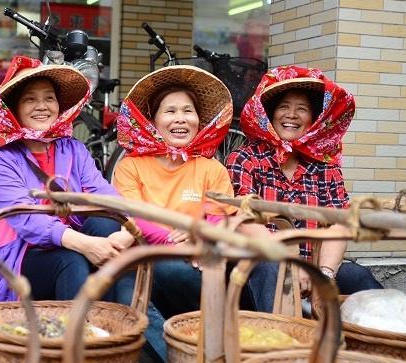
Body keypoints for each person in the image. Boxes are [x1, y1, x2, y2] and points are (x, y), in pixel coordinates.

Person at [0, 56, 137, 304]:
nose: (42, 106)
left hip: (71, 236)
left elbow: (103, 193)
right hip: (23, 253)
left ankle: (108, 323)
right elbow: (25, 219)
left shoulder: (73, 148)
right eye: (30, 99)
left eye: (49, 98)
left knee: (107, 226)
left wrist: (129, 227)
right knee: (72, 260)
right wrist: (85, 244)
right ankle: (75, 336)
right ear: (15, 109)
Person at [226, 66, 382, 313]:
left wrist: (324, 274)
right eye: (284, 107)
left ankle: (379, 346)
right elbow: (245, 220)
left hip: (314, 268)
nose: (292, 115)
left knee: (359, 277)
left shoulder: (325, 166)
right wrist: (291, 264)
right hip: (259, 268)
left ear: (313, 120)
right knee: (271, 270)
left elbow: (340, 222)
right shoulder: (245, 158)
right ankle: (282, 346)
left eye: (302, 109)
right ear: (270, 114)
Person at [112, 65, 236, 319]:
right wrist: (176, 244)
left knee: (187, 276)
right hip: (141, 263)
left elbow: (219, 217)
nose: (180, 118)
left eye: (187, 111)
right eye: (170, 111)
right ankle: (185, 357)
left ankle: (206, 344)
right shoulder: (130, 166)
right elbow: (134, 216)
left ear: (199, 121)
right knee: (128, 303)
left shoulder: (211, 168)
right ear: (153, 122)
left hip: (195, 261)